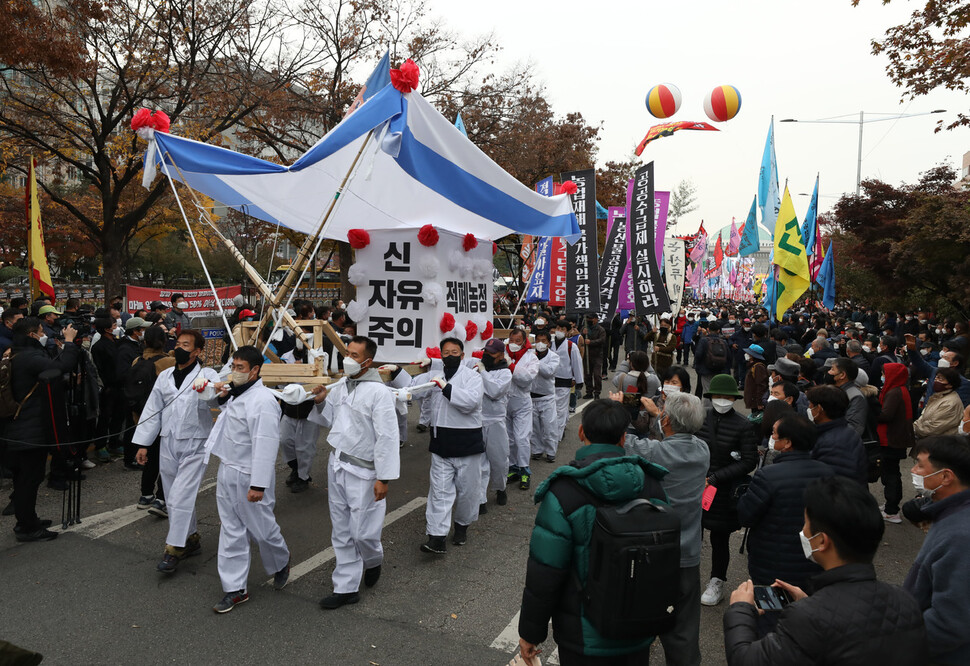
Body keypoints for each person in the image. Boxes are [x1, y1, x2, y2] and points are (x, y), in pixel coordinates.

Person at [517, 400, 668, 665]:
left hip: (581, 636)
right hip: (637, 627)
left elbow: (545, 572)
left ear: (581, 432)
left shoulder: (564, 491)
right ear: (623, 438)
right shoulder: (651, 485)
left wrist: (531, 632)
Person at [723, 476, 926, 665]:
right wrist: (807, 602)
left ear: (821, 541)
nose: (803, 531)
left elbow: (746, 659)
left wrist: (740, 610)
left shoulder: (806, 618)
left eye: (806, 524)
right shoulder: (904, 601)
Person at [307, 336, 400, 610]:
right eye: (347, 352)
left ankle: (373, 559)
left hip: (365, 471)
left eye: (355, 355)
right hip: (337, 463)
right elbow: (331, 420)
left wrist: (383, 478)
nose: (348, 358)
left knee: (363, 532)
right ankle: (346, 587)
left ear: (368, 362)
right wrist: (322, 402)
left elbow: (387, 437)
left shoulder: (379, 393)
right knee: (341, 529)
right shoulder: (342, 386)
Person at [203, 345, 291, 613]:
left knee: (262, 529)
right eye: (233, 366)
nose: (235, 372)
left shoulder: (263, 401)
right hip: (228, 469)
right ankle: (235, 588)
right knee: (231, 528)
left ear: (255, 370)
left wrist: (258, 485)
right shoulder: (234, 392)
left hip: (250, 474)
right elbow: (216, 405)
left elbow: (265, 444)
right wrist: (215, 393)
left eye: (240, 368)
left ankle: (280, 560)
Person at [625, 392, 709, 666]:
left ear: (666, 420)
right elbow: (674, 442)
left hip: (653, 552)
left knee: (639, 623)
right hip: (688, 554)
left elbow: (627, 443)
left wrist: (622, 409)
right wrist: (657, 415)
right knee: (684, 629)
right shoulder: (702, 450)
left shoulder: (654, 452)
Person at [133, 329, 220, 573]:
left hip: (195, 442)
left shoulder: (208, 374)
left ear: (197, 351)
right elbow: (153, 410)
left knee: (181, 495)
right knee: (172, 496)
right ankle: (191, 537)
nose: (179, 348)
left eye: (186, 344)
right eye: (178, 343)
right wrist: (143, 443)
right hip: (168, 441)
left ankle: (174, 548)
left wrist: (208, 390)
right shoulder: (166, 376)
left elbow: (217, 400)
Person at [738, 415, 834, 594]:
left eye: (774, 434)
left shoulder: (767, 476)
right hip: (815, 558)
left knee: (771, 612)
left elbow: (746, 515)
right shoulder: (828, 472)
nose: (771, 438)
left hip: (772, 562)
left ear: (788, 442)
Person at [3, 317, 79, 541]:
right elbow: (61, 367)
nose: (43, 333)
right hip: (29, 429)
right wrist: (69, 342)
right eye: (40, 331)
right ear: (31, 335)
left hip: (17, 426)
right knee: (29, 478)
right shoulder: (29, 357)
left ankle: (28, 519)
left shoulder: (15, 353)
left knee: (23, 478)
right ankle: (26, 527)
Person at [903, 436, 970, 665]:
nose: (913, 470)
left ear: (946, 476)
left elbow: (949, 622)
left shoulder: (961, 534)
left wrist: (894, 645)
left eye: (920, 464)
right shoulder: (949, 514)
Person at [418, 338, 485, 554]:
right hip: (441, 444)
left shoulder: (473, 377)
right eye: (445, 352)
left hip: (467, 444)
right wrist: (396, 371)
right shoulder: (434, 376)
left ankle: (462, 525)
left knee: (467, 491)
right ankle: (437, 537)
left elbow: (470, 403)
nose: (449, 356)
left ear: (462, 355)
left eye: (454, 351)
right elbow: (413, 388)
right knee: (439, 491)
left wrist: (446, 388)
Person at [697, 374, 758, 606]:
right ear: (711, 397)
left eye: (727, 397)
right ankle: (686, 579)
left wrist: (714, 478)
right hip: (697, 487)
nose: (722, 400)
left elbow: (748, 461)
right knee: (692, 534)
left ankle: (717, 580)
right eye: (718, 396)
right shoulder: (700, 417)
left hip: (723, 491)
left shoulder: (743, 424)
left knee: (719, 538)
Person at [131, 325, 176, 515]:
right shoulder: (168, 362)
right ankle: (161, 499)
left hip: (140, 417)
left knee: (148, 457)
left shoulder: (136, 360)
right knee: (165, 459)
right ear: (164, 341)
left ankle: (145, 495)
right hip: (162, 419)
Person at [876, 362, 915, 524]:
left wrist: (872, 411)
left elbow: (886, 415)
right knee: (892, 472)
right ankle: (890, 505)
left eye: (885, 373)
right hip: (897, 438)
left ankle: (892, 510)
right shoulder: (901, 389)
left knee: (890, 474)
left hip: (891, 439)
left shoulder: (894, 392)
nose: (883, 376)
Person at [806, 385, 868, 485]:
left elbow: (835, 484)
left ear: (819, 408)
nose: (808, 408)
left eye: (811, 405)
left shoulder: (832, 443)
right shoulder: (845, 431)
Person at [477, 338, 512, 510]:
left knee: (498, 460)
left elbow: (493, 391)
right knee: (479, 462)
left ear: (500, 355)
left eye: (491, 353)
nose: (486, 355)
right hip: (477, 420)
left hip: (496, 421)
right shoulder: (478, 367)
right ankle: (481, 498)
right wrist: (432, 361)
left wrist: (483, 372)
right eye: (486, 351)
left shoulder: (505, 373)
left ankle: (500, 488)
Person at [506, 328, 538, 489]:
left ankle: (524, 469)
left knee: (522, 437)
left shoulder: (531, 358)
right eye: (511, 340)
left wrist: (511, 366)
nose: (513, 344)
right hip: (504, 401)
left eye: (517, 341)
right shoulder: (503, 354)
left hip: (522, 402)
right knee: (509, 438)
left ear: (524, 341)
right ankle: (513, 467)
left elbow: (526, 379)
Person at [529, 330, 561, 463]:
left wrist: (535, 360)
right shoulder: (530, 354)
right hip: (531, 396)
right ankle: (537, 450)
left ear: (548, 343)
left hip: (546, 397)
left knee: (549, 426)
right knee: (534, 426)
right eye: (538, 341)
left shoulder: (554, 357)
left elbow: (548, 372)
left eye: (544, 341)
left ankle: (550, 451)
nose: (540, 344)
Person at [552, 319, 584, 440]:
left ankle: (557, 436)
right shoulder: (549, 343)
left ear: (567, 331)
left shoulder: (572, 346)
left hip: (565, 381)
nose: (559, 331)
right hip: (550, 381)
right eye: (558, 328)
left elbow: (576, 364)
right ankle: (561, 425)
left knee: (560, 409)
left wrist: (577, 379)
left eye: (562, 329)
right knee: (555, 408)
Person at [914, 366, 964, 438]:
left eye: (940, 379)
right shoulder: (938, 396)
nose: (936, 380)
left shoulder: (950, 403)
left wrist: (915, 429)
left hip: (939, 443)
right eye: (936, 377)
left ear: (950, 385)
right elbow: (923, 418)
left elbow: (933, 428)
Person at [828, 358, 868, 437]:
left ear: (842, 375)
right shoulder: (834, 391)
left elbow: (854, 427)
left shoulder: (855, 396)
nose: (829, 372)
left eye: (832, 369)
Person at [582, 314, 607, 398]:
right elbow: (580, 338)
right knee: (587, 375)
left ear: (596, 319)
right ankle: (589, 392)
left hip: (597, 355)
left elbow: (602, 340)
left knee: (597, 375)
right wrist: (583, 333)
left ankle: (597, 392)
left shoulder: (600, 329)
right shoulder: (584, 328)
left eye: (591, 318)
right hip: (586, 355)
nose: (589, 320)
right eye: (588, 318)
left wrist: (591, 342)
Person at [741, 344, 768, 419]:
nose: (746, 355)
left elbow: (761, 385)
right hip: (753, 400)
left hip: (756, 402)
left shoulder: (758, 367)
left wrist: (759, 402)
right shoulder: (753, 365)